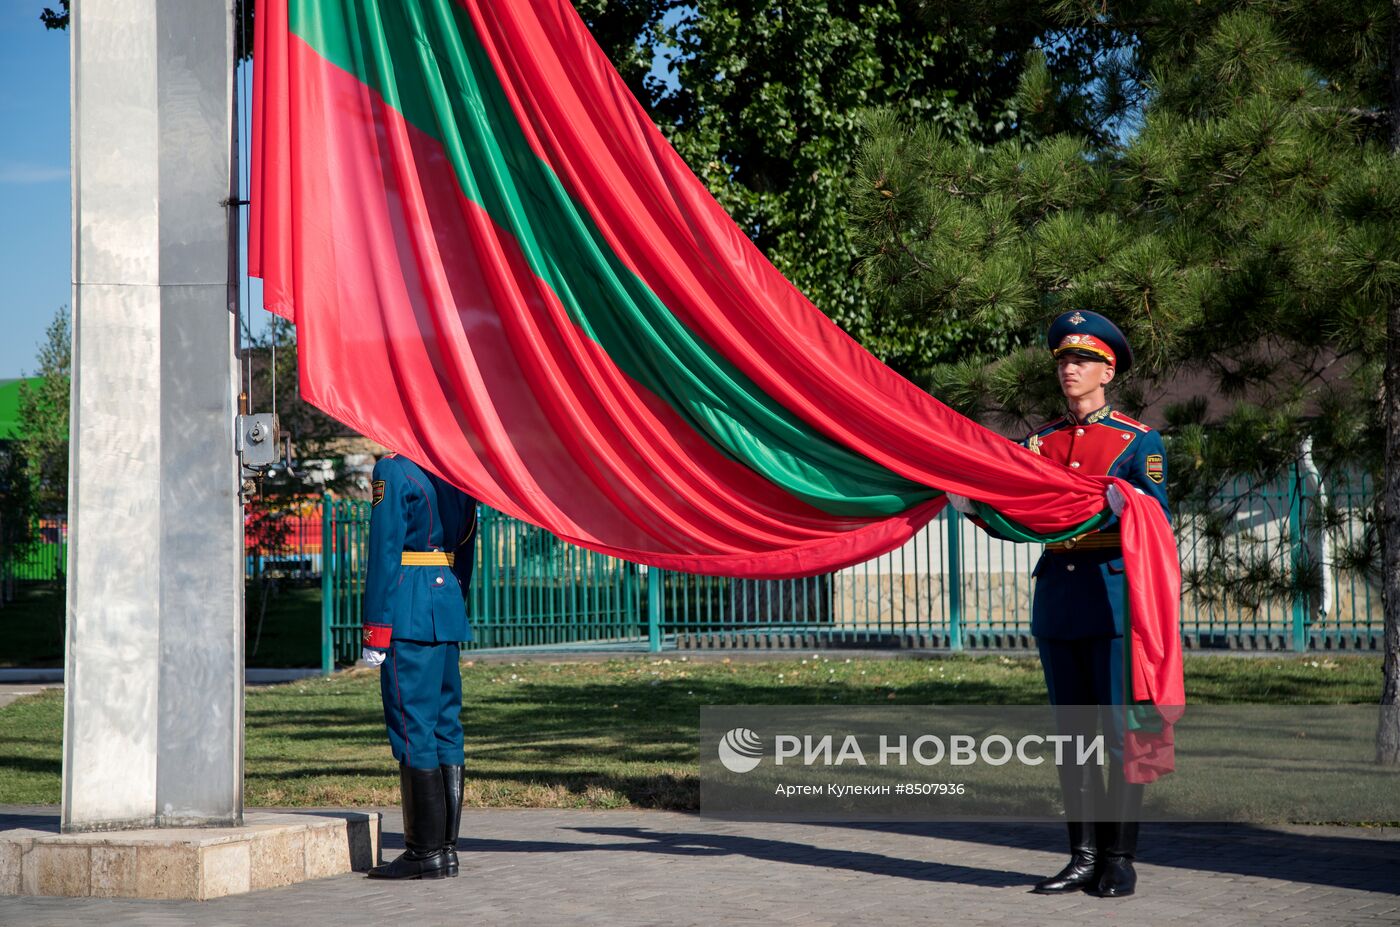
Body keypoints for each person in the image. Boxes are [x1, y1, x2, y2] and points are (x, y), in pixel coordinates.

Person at [1024, 310, 1169, 898]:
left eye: (1082, 360)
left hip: (1113, 600)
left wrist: (1126, 503)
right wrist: (974, 507)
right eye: (1064, 359)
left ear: (1107, 372)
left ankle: (1119, 858)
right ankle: (1082, 856)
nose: (1071, 369)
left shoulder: (1138, 441)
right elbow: (1017, 510)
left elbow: (1157, 517)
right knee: (1073, 736)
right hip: (1059, 600)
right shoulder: (1039, 443)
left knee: (1119, 732)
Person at [359, 451, 478, 880]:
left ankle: (423, 851)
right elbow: (466, 546)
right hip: (445, 606)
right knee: (446, 726)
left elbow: (385, 550)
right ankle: (445, 849)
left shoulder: (393, 468)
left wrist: (375, 629)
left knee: (413, 728)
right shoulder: (456, 466)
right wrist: (452, 602)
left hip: (408, 611)